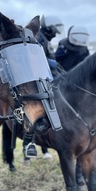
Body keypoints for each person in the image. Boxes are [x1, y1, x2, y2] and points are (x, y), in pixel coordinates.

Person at [23, 15, 64, 159]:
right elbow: (33, 55)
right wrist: (49, 62)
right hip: (39, 78)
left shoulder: (45, 39)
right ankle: (29, 142)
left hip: (49, 76)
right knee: (38, 106)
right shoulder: (39, 37)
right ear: (50, 27)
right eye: (56, 30)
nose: (56, 33)